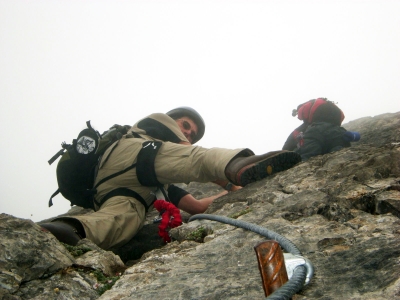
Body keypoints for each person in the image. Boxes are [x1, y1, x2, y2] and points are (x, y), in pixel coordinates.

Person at [41, 107, 301, 249]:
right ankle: (238, 163)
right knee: (196, 158)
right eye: (185, 125)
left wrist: (230, 194)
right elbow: (191, 157)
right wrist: (233, 181)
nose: (187, 132)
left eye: (192, 132)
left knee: (124, 218)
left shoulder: (160, 182)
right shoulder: (156, 121)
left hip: (114, 190)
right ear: (174, 119)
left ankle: (68, 229)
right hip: (129, 157)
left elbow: (197, 207)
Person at [282, 98, 360, 161]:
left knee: (307, 155)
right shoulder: (331, 112)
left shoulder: (309, 124)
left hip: (316, 133)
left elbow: (295, 137)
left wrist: (284, 151)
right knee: (339, 151)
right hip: (337, 133)